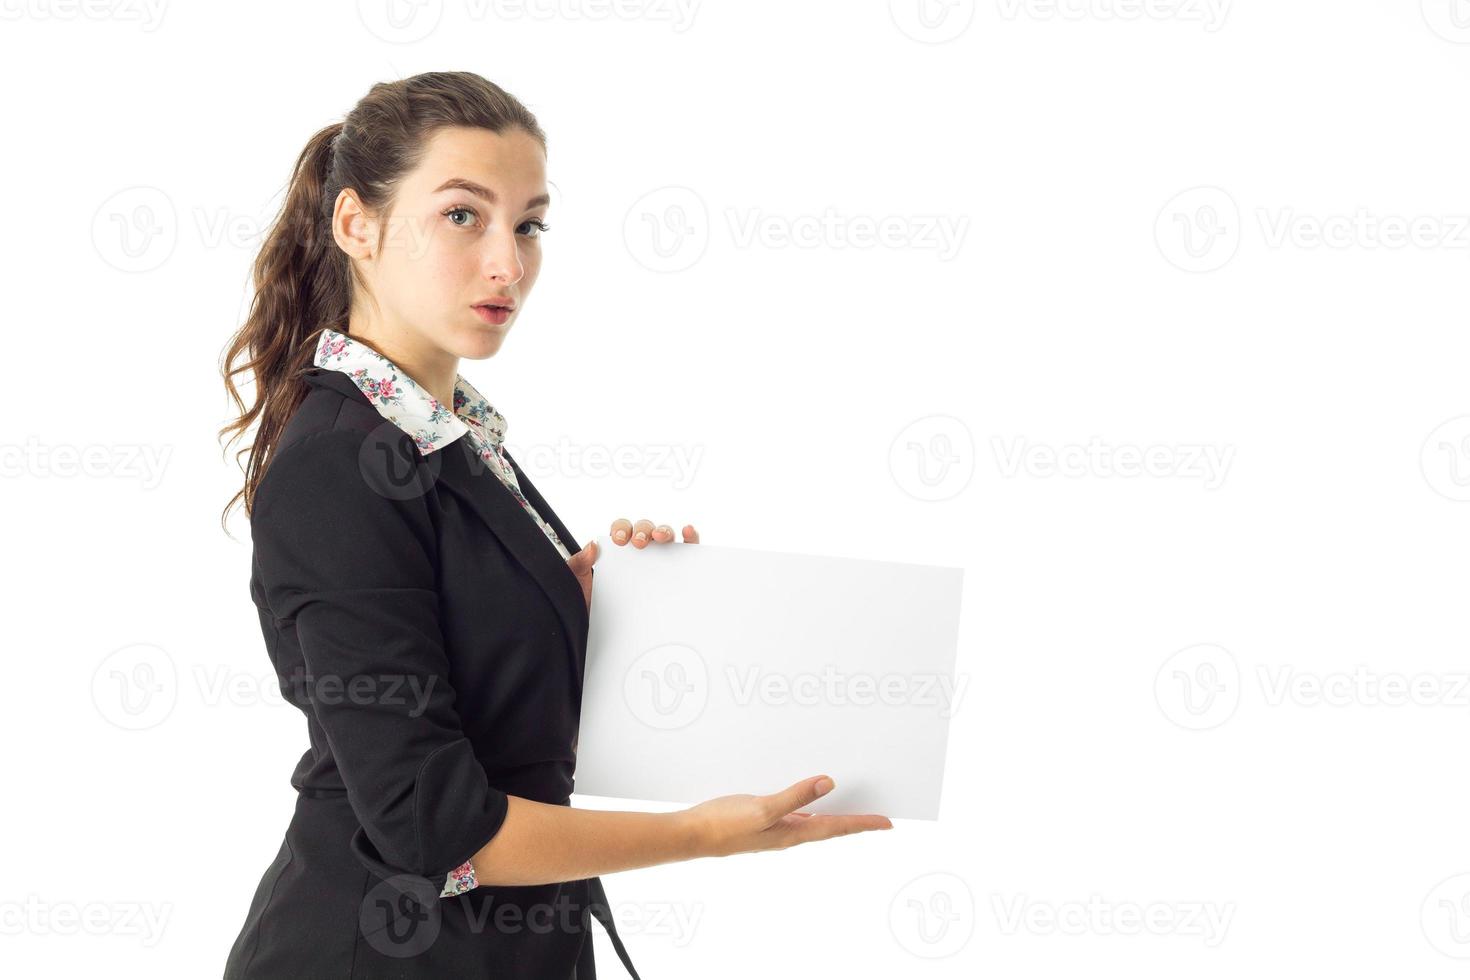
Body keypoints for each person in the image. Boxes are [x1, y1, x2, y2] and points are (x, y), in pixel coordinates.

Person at [216, 70, 892, 979]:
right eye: (464, 215)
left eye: (529, 223)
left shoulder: (452, 439)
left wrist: (605, 624)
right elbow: (426, 816)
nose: (510, 262)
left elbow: (489, 713)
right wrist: (697, 837)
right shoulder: (344, 462)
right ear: (355, 225)